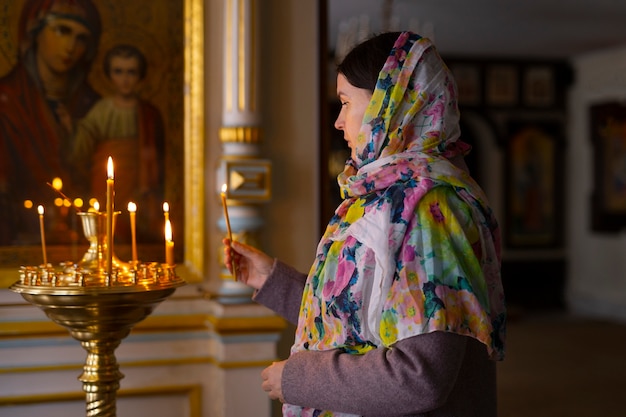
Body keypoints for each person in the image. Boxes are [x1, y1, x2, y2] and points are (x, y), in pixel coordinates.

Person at [224, 31, 506, 416]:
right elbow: (365, 318)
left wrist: (297, 379)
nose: (338, 121)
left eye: (345, 103)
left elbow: (420, 376)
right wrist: (268, 278)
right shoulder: (385, 193)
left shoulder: (428, 208)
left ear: (386, 106)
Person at [0, 0, 101, 245]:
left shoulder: (96, 107)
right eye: (62, 30)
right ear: (34, 31)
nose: (71, 47)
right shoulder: (7, 103)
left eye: (81, 38)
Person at [72, 43, 165, 243]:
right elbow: (81, 149)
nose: (125, 79)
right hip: (103, 184)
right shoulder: (101, 110)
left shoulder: (149, 114)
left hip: (138, 186)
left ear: (140, 75)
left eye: (131, 72)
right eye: (118, 71)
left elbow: (157, 158)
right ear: (108, 74)